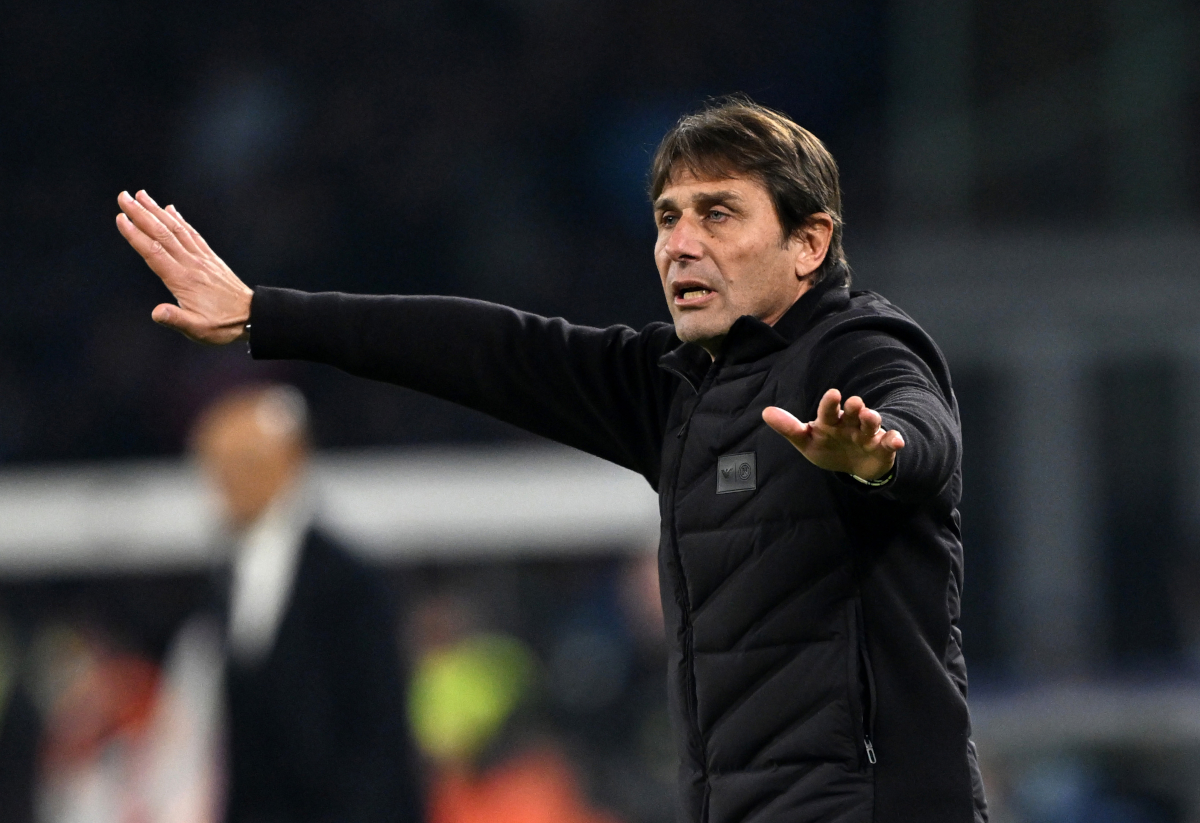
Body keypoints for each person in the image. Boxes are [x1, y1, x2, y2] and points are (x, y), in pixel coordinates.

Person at [116, 97, 987, 823]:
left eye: (718, 214)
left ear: (809, 241)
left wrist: (879, 454)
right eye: (667, 218)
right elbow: (486, 347)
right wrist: (267, 314)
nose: (681, 243)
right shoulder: (675, 394)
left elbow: (920, 426)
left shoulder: (857, 348)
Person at [188, 385, 425, 823]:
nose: (224, 484)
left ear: (288, 464)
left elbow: (376, 738)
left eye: (244, 465)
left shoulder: (350, 584)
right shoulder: (226, 580)